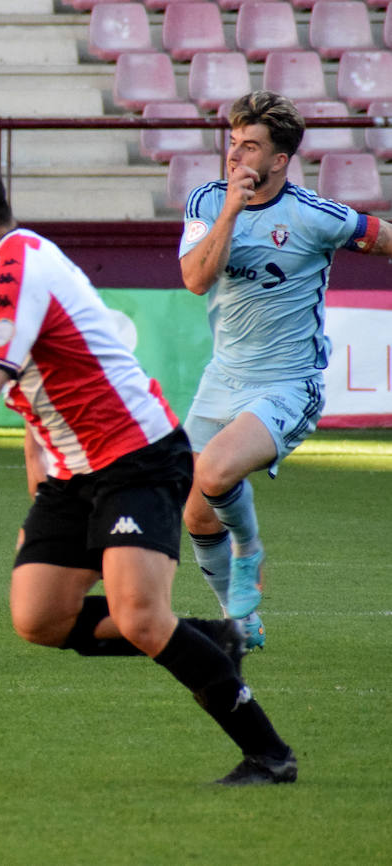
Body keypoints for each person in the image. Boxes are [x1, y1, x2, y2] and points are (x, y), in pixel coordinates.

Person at [0, 141, 298, 785]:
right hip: (75, 470)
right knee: (39, 615)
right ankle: (208, 640)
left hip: (137, 456)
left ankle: (269, 753)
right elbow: (40, 374)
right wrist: (40, 459)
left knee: (138, 615)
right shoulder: (9, 261)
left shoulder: (15, 267)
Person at [178, 91, 391, 649]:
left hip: (288, 384)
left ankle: (250, 550)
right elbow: (197, 278)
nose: (235, 155)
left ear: (278, 160)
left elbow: (382, 237)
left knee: (217, 472)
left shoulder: (315, 217)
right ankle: (240, 620)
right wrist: (229, 209)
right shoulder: (206, 202)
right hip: (221, 377)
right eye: (232, 142)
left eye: (250, 146)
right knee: (197, 518)